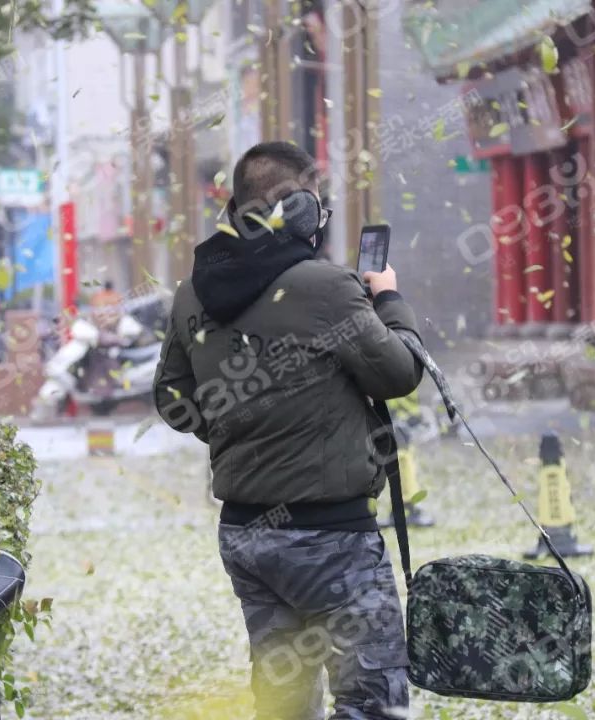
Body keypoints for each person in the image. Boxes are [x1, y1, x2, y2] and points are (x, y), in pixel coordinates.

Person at [153, 142, 423, 720]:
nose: (321, 216)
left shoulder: (191, 294)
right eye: (316, 204)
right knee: (373, 701)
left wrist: (235, 426)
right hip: (331, 538)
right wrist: (391, 299)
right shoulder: (326, 287)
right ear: (296, 210)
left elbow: (172, 399)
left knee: (284, 704)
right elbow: (400, 374)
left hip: (247, 535)